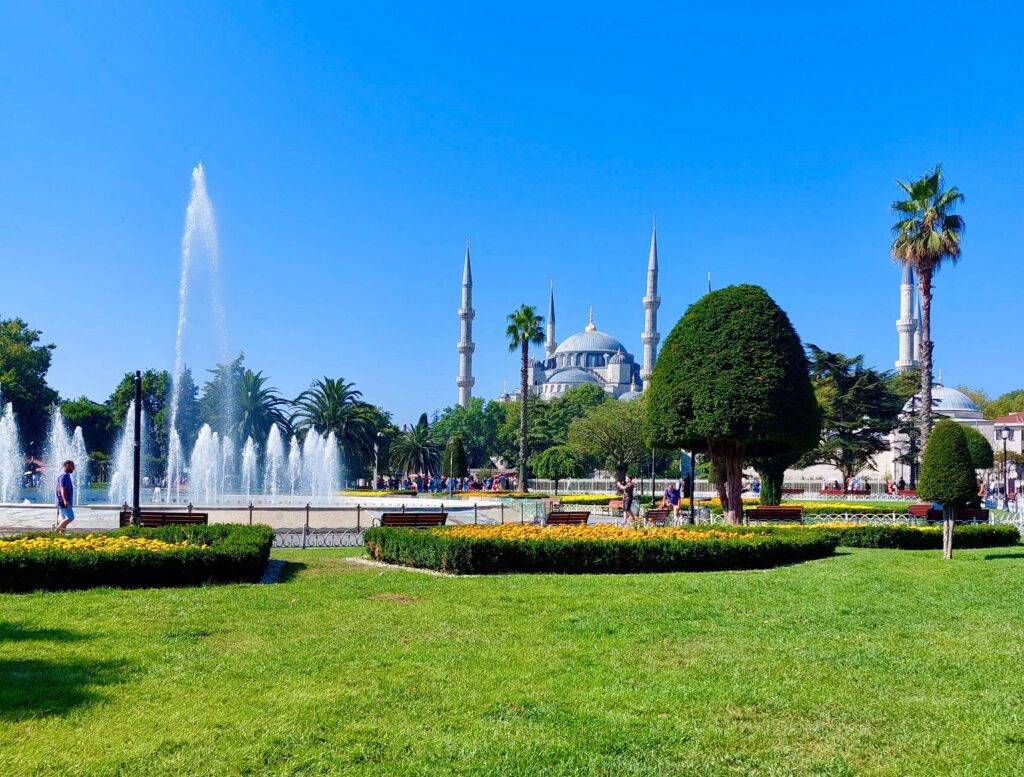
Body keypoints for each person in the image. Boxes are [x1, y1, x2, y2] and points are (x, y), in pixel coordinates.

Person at [53, 460, 75, 533]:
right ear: (67, 465)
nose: (73, 468)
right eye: (72, 466)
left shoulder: (62, 474)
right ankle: (55, 531)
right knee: (70, 517)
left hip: (60, 501)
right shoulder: (64, 475)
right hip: (63, 501)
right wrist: (65, 500)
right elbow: (62, 488)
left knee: (63, 519)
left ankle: (60, 535)